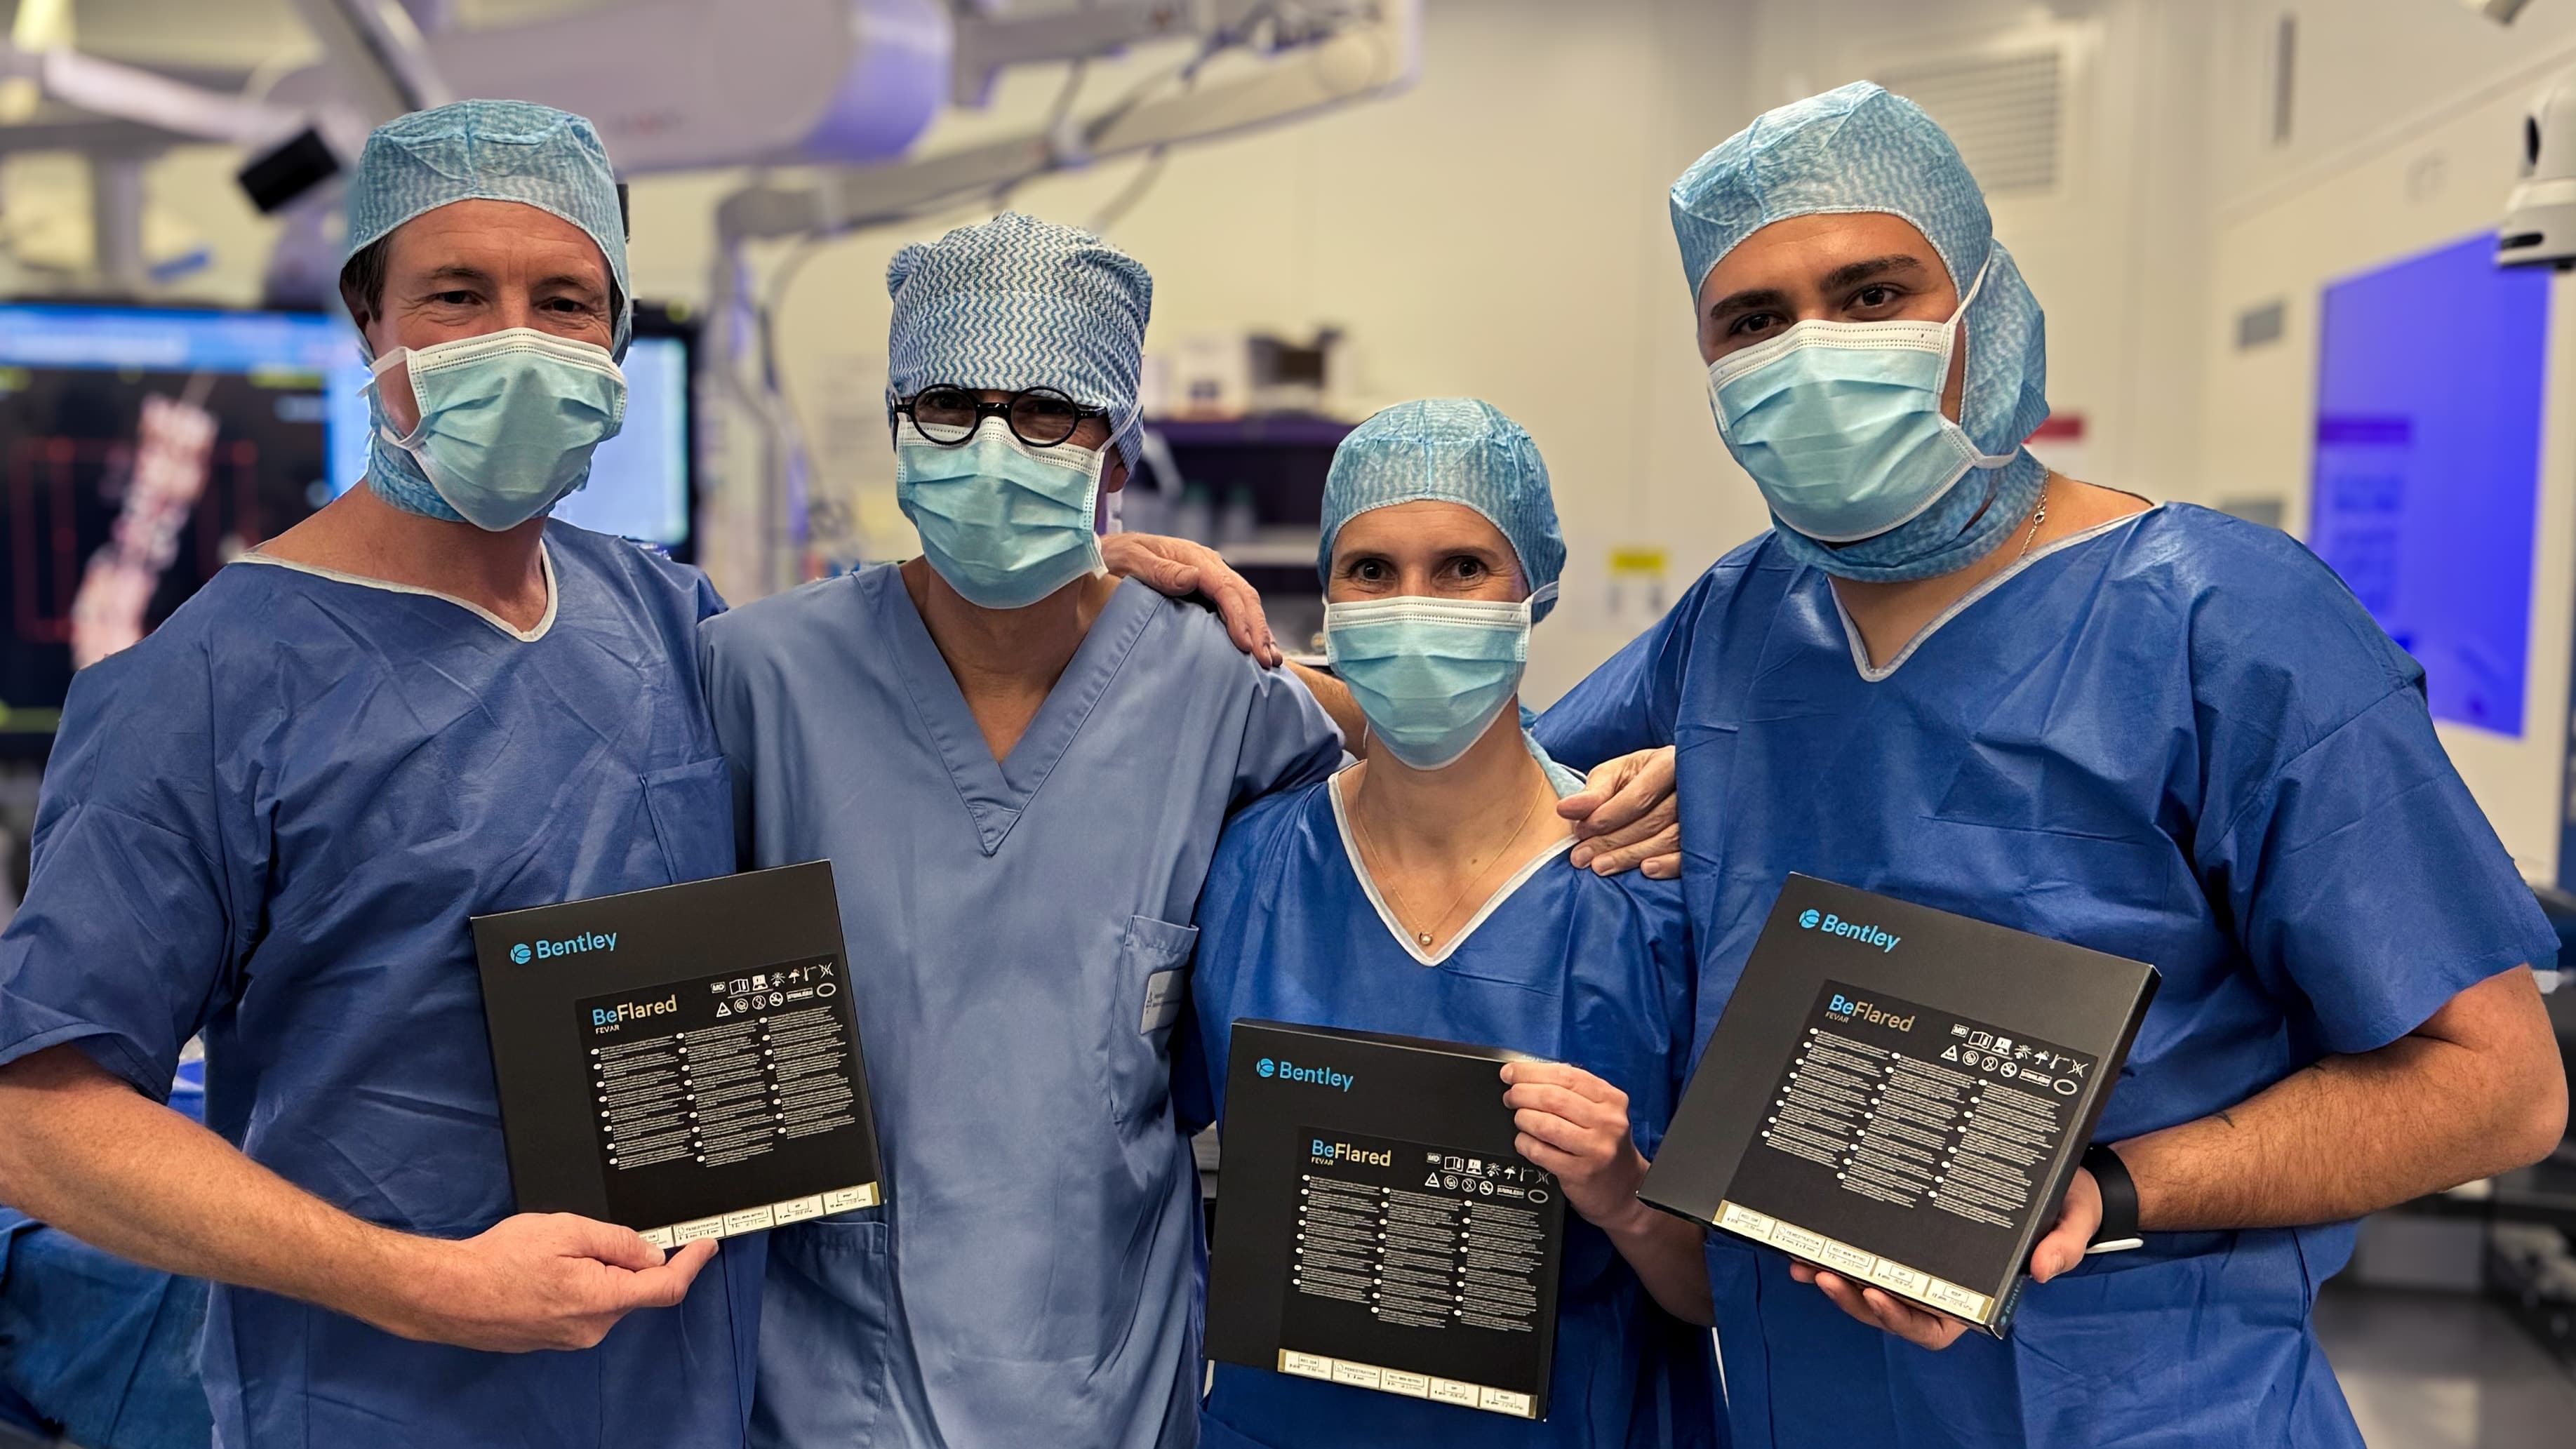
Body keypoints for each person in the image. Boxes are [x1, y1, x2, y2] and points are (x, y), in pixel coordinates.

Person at [1534, 81, 2570, 1448]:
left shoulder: (2228, 623)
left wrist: (2109, 1184)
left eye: (1870, 293)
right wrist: (1174, 601)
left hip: (2145, 1408)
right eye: (1755, 321)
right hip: (1803, 1404)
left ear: (1980, 310)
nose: (1816, 352)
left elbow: (2500, 1086)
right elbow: (1483, 770)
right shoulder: (1738, 623)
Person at [0, 100, 754, 1448]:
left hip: (679, 1394)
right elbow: (36, 1118)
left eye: (566, 301)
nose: (517, 340)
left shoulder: (662, 614)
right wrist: (428, 1285)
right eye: (458, 294)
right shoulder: (211, 680)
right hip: (385, 1404)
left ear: (619, 337)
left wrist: (1089, 577)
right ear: (372, 323)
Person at [704, 212, 1349, 1449]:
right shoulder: (758, 677)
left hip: (1110, 1377)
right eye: (949, 405)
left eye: (1048, 413)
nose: (993, 450)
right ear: (898, 433)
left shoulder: (1209, 690)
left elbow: (1420, 805)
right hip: (823, 1390)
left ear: (1115, 461)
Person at [1178, 399, 1720, 1449]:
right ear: (1326, 596)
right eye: (1372, 571)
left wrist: (1628, 1196)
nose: (1413, 605)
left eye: (1463, 568)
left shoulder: (1644, 891)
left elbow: (1721, 1292)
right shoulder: (1248, 868)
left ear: (1534, 589)